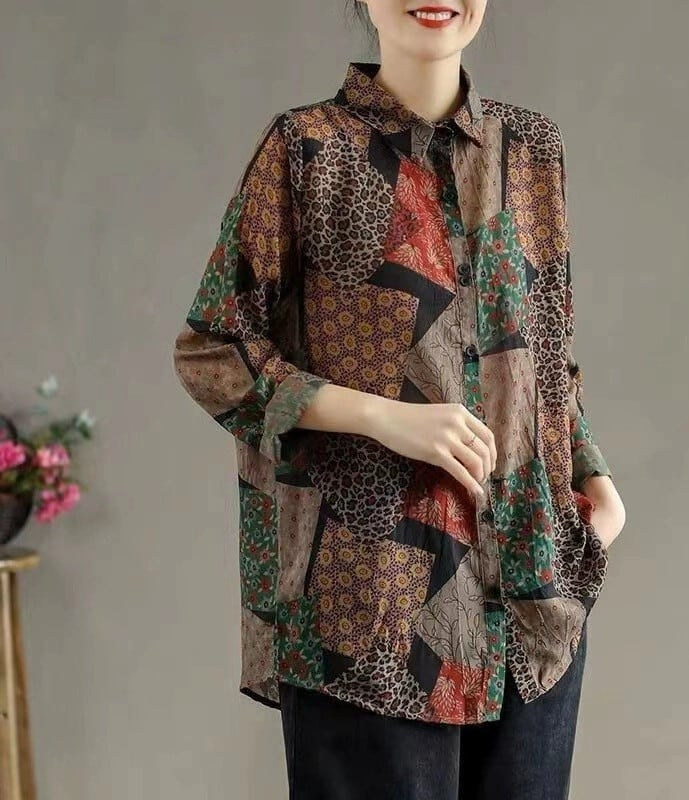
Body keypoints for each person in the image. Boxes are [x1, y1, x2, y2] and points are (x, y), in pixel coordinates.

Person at [172, 1, 626, 797]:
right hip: (370, 612)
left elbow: (546, 349)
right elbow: (215, 349)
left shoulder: (531, 149)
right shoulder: (307, 149)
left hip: (531, 597)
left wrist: (596, 482)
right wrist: (383, 417)